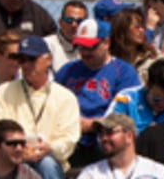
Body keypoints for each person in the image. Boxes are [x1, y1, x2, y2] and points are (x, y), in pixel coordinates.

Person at [0, 34, 80, 179]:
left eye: (32, 59)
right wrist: (18, 149)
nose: (26, 65)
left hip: (49, 158)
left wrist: (49, 148)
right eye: (21, 59)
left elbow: (70, 139)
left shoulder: (65, 96)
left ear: (48, 59)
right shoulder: (4, 91)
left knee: (47, 164)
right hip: (13, 156)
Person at [55, 19, 142, 169]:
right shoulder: (67, 71)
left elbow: (128, 114)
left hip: (104, 136)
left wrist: (94, 124)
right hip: (69, 134)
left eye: (91, 47)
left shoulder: (123, 72)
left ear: (106, 43)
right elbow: (52, 102)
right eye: (81, 47)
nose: (85, 53)